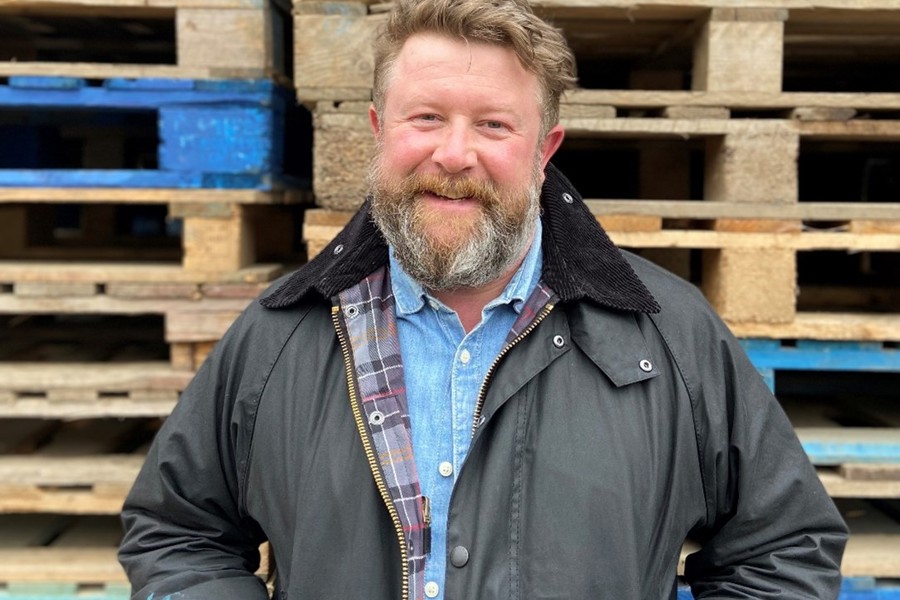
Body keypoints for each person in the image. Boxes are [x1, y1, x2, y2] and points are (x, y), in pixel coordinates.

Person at [118, 0, 849, 598]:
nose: (454, 154)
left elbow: (780, 550)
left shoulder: (670, 336)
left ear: (545, 149)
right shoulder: (280, 335)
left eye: (494, 125)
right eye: (425, 117)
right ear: (379, 132)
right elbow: (177, 533)